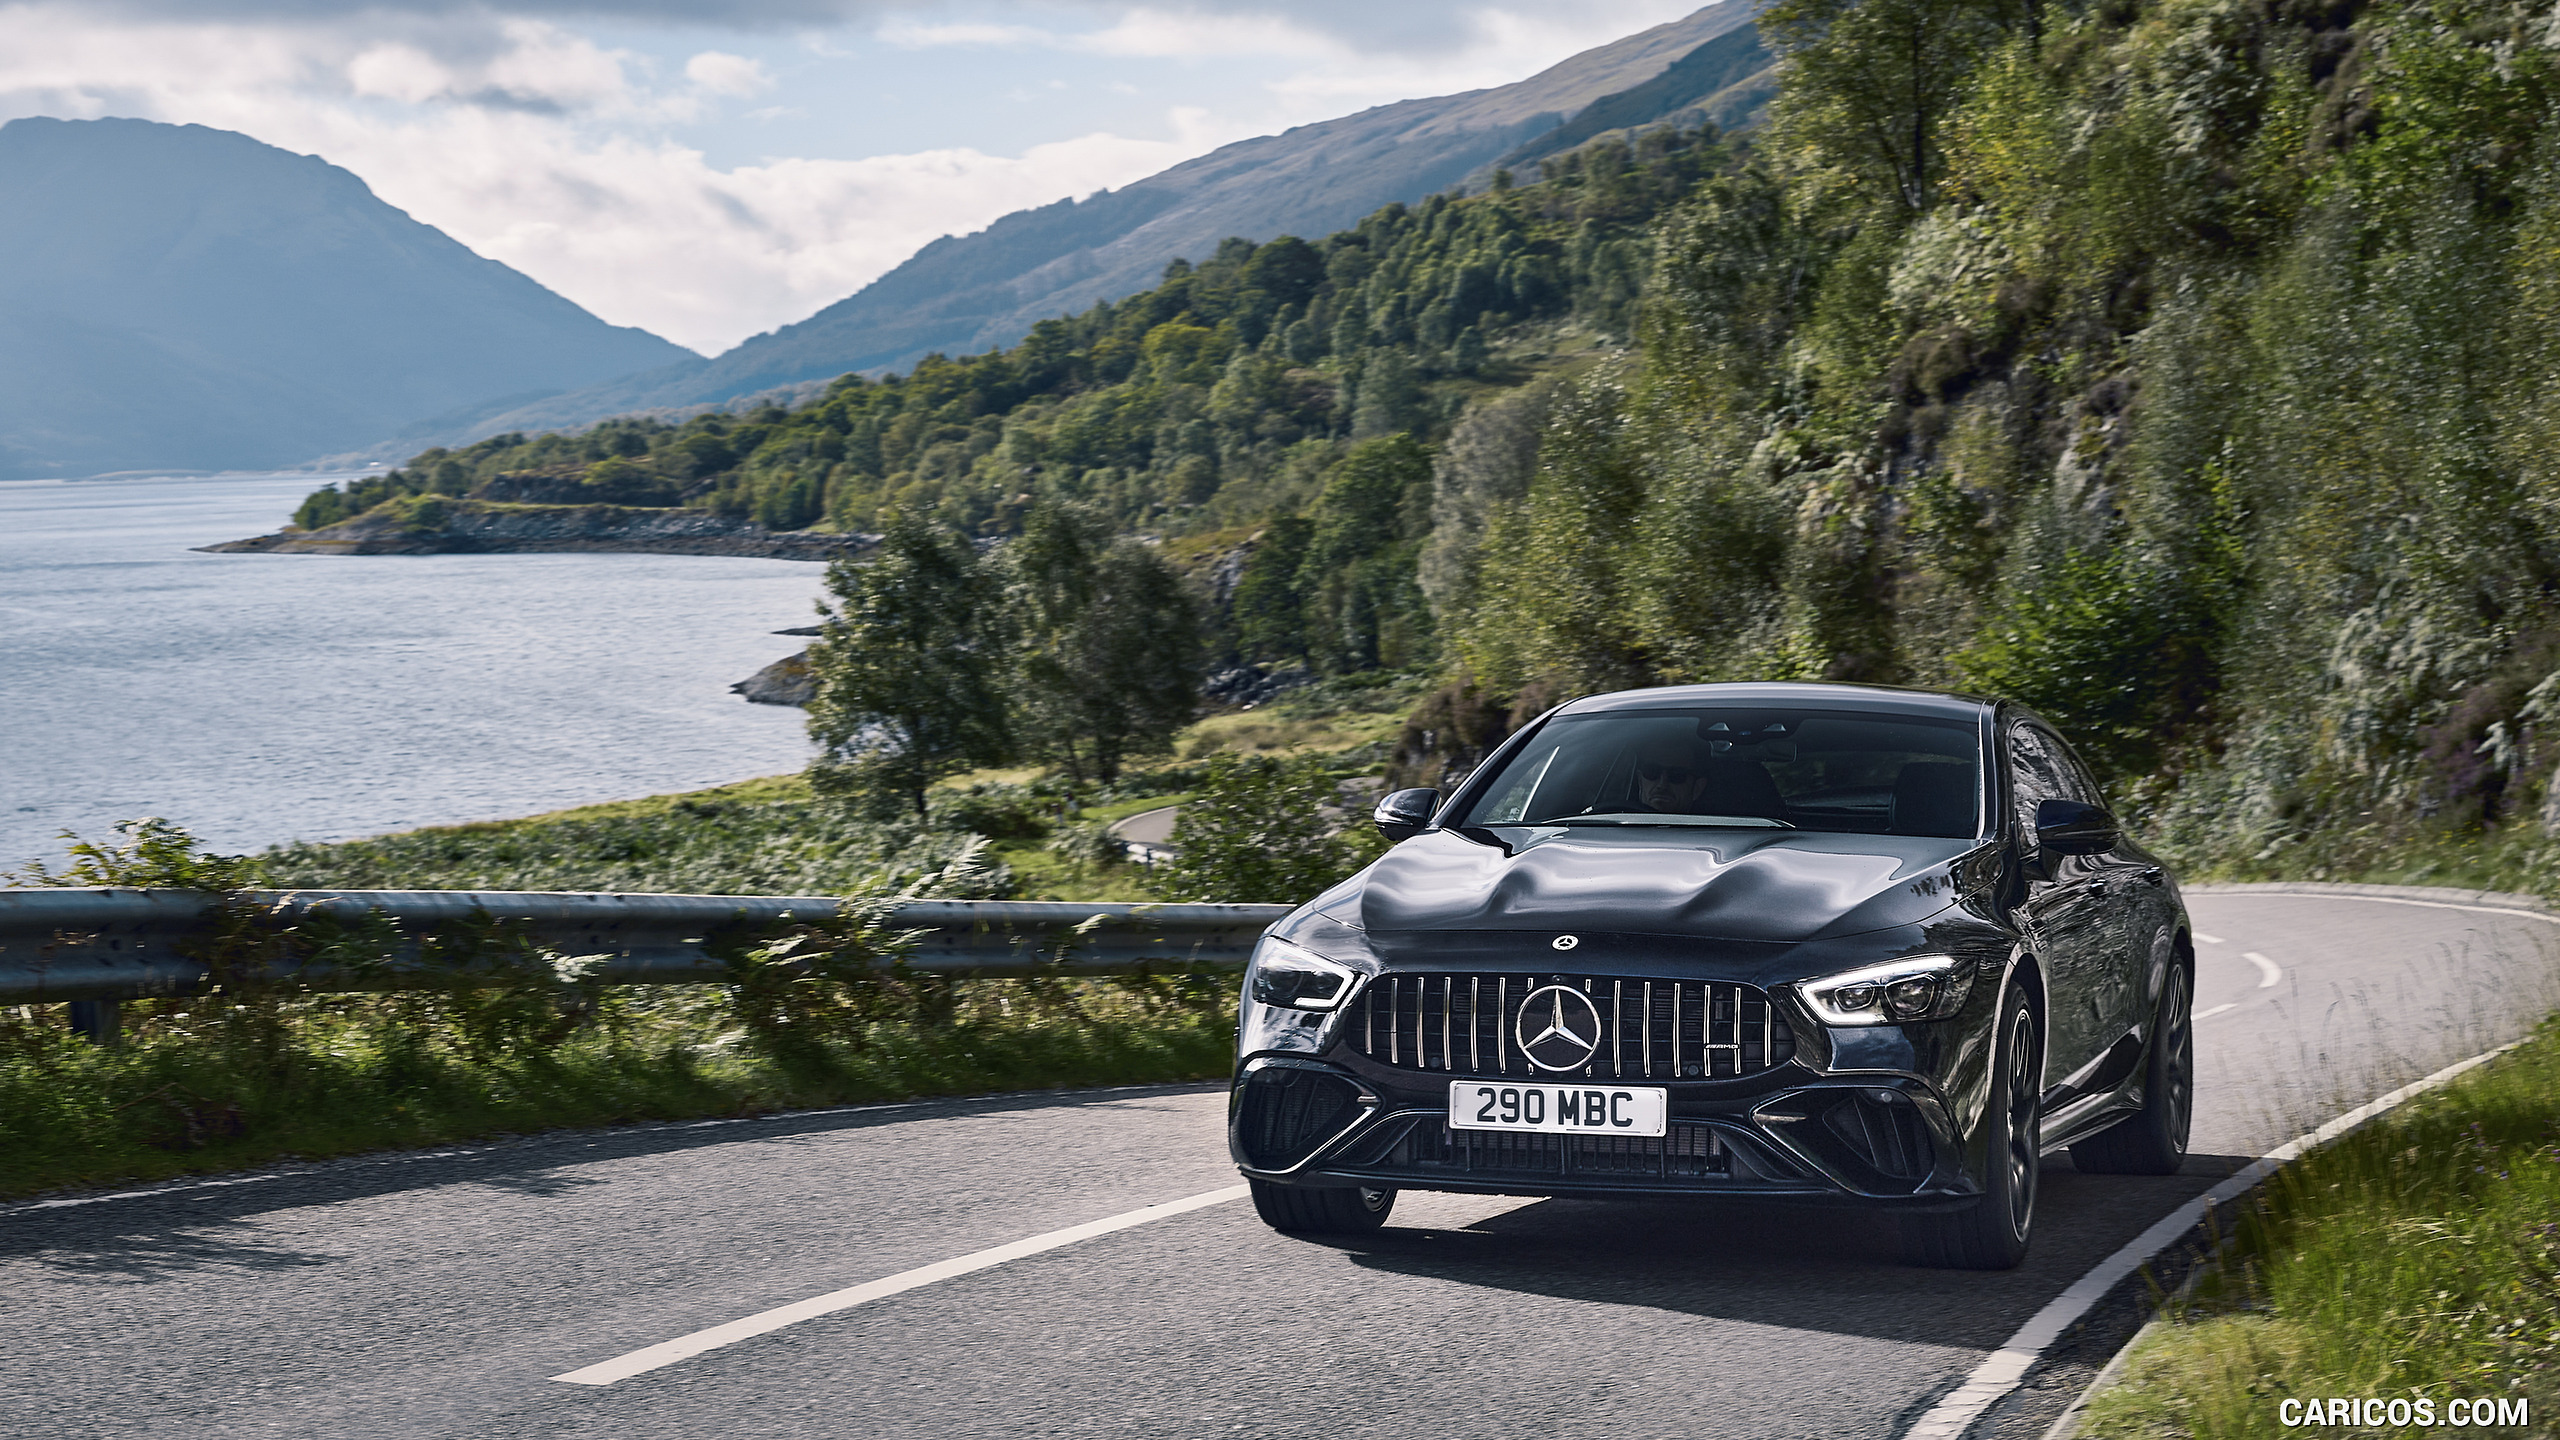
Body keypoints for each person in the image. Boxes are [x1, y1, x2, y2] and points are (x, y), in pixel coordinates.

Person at [1630, 739, 1712, 814]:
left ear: (1697, 788)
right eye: (1652, 772)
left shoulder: (1716, 828)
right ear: (1640, 781)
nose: (1662, 785)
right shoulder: (1620, 821)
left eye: (1676, 775)